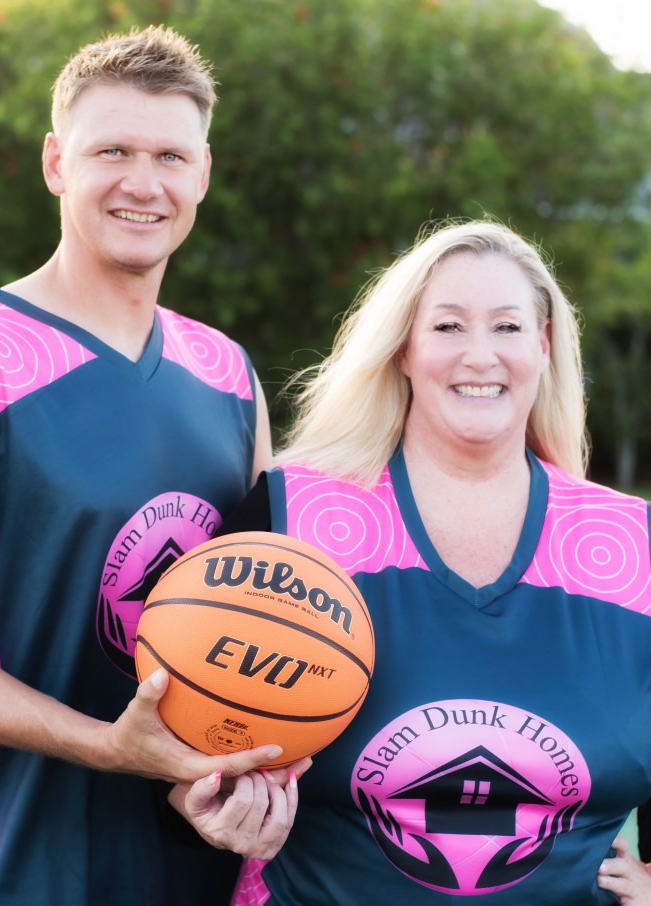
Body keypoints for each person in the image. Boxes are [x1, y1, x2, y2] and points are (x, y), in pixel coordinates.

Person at [0, 25, 306, 906]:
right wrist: (106, 746)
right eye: (111, 150)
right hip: (9, 864)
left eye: (170, 156)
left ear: (203, 174)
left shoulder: (226, 374)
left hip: (200, 863)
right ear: (56, 163)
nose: (143, 183)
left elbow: (263, 610)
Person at [220, 219, 651, 904]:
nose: (480, 355)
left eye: (507, 327)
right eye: (448, 327)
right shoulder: (292, 519)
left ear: (543, 347)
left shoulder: (632, 544)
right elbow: (184, 759)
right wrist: (205, 807)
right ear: (404, 350)